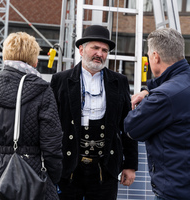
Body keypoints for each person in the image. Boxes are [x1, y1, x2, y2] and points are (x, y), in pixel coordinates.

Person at [124, 28, 190, 200]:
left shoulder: (166, 96)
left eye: (149, 55)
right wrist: (147, 91)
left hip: (176, 191)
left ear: (156, 57)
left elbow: (132, 128)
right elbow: (171, 90)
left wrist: (145, 100)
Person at [50, 25, 138, 200]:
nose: (100, 54)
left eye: (104, 50)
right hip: (68, 168)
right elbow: (49, 124)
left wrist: (130, 165)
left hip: (105, 169)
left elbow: (127, 126)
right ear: (81, 49)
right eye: (95, 48)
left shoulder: (119, 81)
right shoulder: (60, 80)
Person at [0, 32, 63, 199]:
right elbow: (52, 143)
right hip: (33, 174)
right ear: (33, 59)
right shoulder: (42, 90)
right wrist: (53, 177)